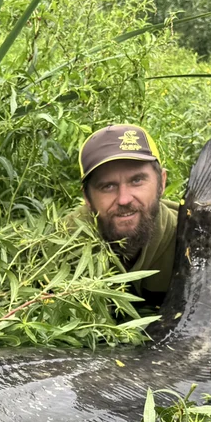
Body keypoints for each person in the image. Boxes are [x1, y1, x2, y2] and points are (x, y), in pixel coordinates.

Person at [77, 123, 179, 307]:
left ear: (161, 182)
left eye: (137, 180)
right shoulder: (58, 249)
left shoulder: (197, 238)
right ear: (87, 197)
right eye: (107, 186)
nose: (124, 199)